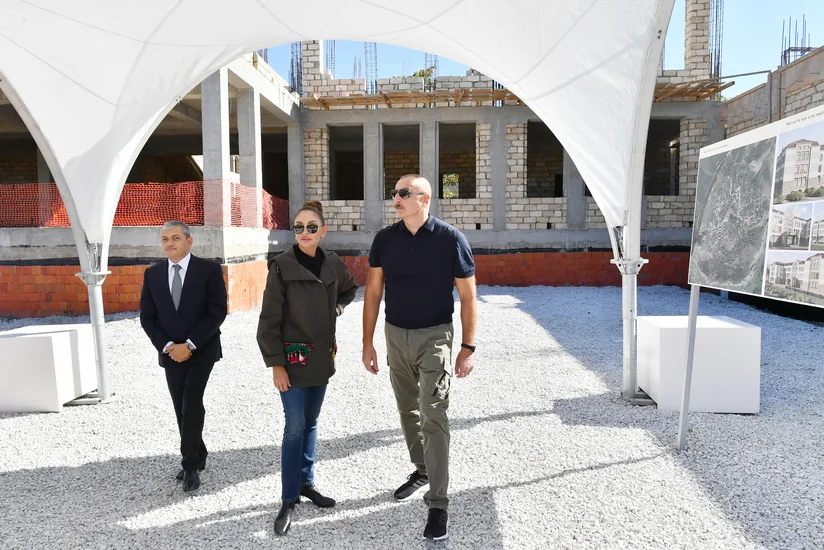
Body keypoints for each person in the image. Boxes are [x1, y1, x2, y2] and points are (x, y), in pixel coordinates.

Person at [362, 174, 477, 541]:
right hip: (395, 335)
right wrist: (368, 342)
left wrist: (467, 347)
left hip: (435, 337)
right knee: (407, 409)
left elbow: (469, 297)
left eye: (404, 193)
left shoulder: (450, 239)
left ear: (424, 199)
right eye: (394, 193)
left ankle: (438, 504)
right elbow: (373, 291)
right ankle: (422, 468)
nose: (396, 198)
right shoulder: (385, 240)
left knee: (434, 413)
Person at [257, 201, 358, 536]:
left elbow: (349, 287)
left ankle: (306, 484)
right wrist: (276, 365)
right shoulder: (282, 267)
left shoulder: (332, 263)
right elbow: (268, 322)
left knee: (311, 424)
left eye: (311, 227)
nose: (304, 233)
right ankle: (288, 499)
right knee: (295, 428)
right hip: (293, 361)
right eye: (298, 227)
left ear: (323, 231)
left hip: (322, 361)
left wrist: (338, 310)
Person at [139, 220, 227, 493]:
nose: (169, 243)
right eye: (165, 239)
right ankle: (199, 452)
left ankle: (190, 465)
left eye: (175, 238)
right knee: (180, 404)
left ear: (189, 242)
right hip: (170, 353)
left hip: (201, 350)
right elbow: (147, 318)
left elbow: (217, 312)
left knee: (191, 400)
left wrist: (189, 344)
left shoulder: (209, 270)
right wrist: (167, 346)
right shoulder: (152, 275)